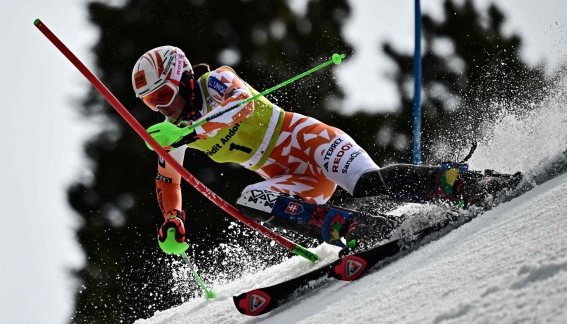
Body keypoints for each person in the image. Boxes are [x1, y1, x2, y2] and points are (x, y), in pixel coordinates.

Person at [131, 45, 521, 252]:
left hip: (309, 142)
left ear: (182, 77)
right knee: (250, 200)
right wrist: (174, 219)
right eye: (152, 104)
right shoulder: (174, 131)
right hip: (288, 177)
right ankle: (355, 231)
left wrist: (187, 136)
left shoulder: (215, 82)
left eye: (164, 94)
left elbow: (240, 107)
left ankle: (457, 184)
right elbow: (169, 179)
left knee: (367, 186)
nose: (163, 107)